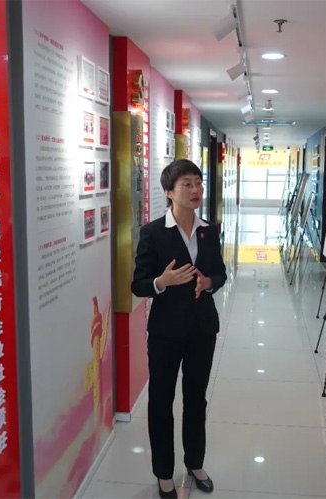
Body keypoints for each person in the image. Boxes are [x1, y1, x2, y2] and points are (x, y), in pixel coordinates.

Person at [131, 159, 226, 499]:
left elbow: (220, 272)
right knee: (161, 400)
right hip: (165, 332)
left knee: (196, 399)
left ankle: (195, 463)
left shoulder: (209, 231)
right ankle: (163, 474)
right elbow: (138, 284)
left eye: (198, 182)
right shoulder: (153, 232)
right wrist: (162, 281)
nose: (196, 189)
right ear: (169, 192)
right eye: (187, 184)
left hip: (202, 328)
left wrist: (209, 282)